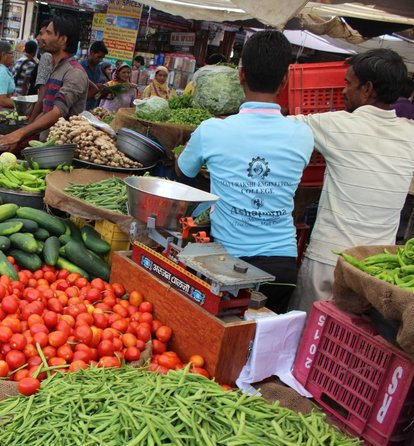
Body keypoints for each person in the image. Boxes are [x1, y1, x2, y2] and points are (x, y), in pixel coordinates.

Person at [176, 30, 314, 314]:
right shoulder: (303, 134)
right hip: (283, 265)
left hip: (227, 266)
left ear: (240, 76)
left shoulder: (212, 129)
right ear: (285, 80)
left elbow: (183, 172)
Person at [289, 49, 414, 313]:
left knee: (307, 335)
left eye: (348, 83)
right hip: (374, 269)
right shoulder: (410, 135)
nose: (343, 91)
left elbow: (281, 127)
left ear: (367, 89)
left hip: (328, 262)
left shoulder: (337, 125)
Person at [0, 15, 88, 150]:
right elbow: (46, 109)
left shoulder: (75, 73)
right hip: (45, 144)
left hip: (60, 149)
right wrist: (21, 135)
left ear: (63, 40)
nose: (41, 37)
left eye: (48, 33)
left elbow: (56, 112)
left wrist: (20, 133)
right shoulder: (55, 69)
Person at [80, 41, 108, 110]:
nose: (100, 60)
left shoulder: (98, 69)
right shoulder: (81, 67)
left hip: (91, 108)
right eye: (99, 57)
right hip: (79, 108)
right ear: (91, 53)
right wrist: (96, 88)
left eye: (102, 58)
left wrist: (103, 92)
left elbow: (96, 95)